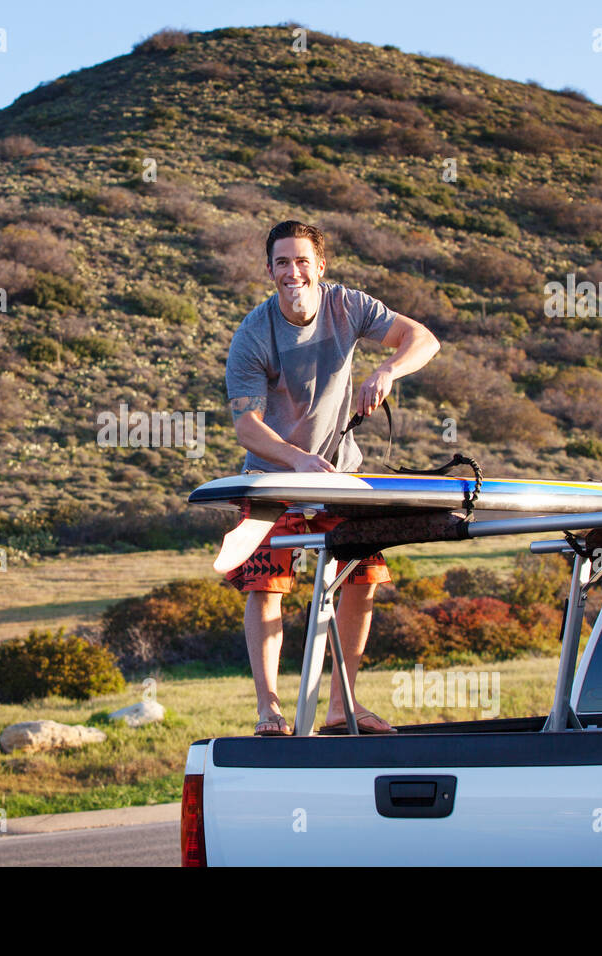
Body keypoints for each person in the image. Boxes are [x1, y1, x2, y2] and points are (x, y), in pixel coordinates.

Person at [225, 220, 441, 736]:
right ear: (270, 270)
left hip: (340, 471)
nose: (292, 272)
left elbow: (423, 339)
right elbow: (246, 427)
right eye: (282, 262)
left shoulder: (348, 305)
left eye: (302, 261)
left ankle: (342, 707)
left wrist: (387, 369)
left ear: (320, 266)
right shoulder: (253, 334)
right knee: (266, 585)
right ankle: (270, 712)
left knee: (361, 577)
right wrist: (295, 460)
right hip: (271, 478)